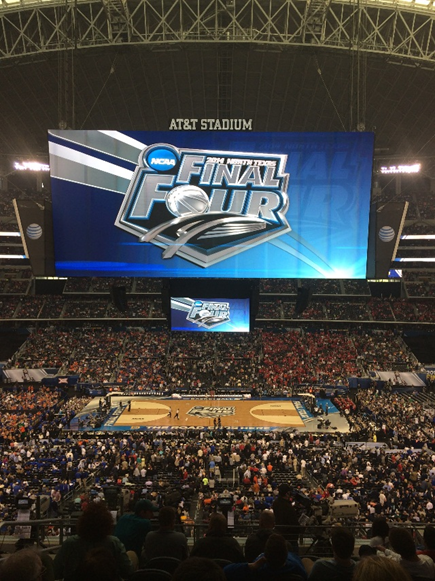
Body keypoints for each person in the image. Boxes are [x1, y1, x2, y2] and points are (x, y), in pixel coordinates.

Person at [53, 502, 134, 581]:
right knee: (132, 555)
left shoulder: (70, 543)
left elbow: (56, 571)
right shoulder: (114, 542)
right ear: (107, 523)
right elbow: (127, 571)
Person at [224, 533, 307, 580]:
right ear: (285, 554)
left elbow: (226, 571)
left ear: (265, 556)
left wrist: (251, 566)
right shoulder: (296, 567)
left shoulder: (256, 571)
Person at [272, 484, 300, 552]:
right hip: (289, 536)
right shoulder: (288, 507)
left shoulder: (275, 503)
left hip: (279, 533)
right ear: (287, 493)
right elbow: (294, 523)